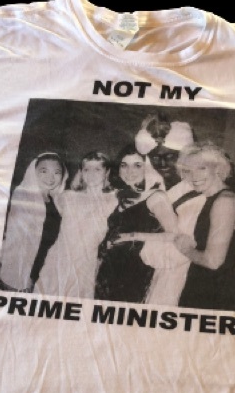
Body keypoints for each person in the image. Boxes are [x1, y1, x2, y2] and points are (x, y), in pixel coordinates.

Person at [173, 142, 235, 311]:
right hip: (204, 284)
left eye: (201, 168)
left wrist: (185, 249)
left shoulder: (225, 201)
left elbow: (213, 261)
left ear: (217, 168)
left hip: (216, 291)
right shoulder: (208, 198)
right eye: (187, 170)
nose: (193, 176)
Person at [94, 144, 178, 303]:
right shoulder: (122, 196)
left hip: (134, 273)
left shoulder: (156, 197)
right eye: (124, 165)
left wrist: (131, 236)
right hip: (108, 270)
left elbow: (174, 235)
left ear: (148, 168)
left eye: (137, 165)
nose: (129, 171)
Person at [35, 151, 117, 298]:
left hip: (87, 263)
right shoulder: (68, 196)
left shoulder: (113, 199)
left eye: (97, 169)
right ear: (81, 172)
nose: (91, 174)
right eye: (86, 169)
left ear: (107, 172)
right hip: (59, 259)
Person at [0, 151, 67, 292]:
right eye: (44, 171)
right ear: (33, 172)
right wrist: (23, 276)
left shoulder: (55, 200)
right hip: (21, 271)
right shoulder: (24, 195)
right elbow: (17, 241)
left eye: (57, 172)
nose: (51, 177)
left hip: (43, 269)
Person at [134, 112, 195, 193]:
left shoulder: (196, 188)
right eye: (155, 158)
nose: (163, 164)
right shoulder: (143, 189)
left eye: (170, 156)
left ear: (182, 155)